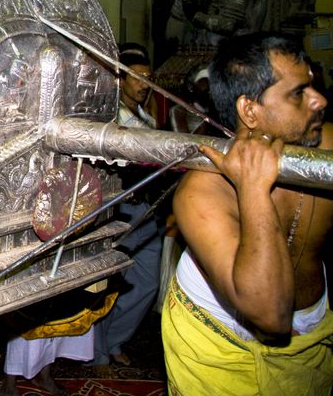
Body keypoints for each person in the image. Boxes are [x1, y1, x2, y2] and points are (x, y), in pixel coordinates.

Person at [162, 32, 333, 394]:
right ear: (250, 111)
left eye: (313, 87)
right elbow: (270, 315)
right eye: (298, 93)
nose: (319, 100)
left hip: (313, 329)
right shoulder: (202, 191)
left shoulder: (327, 143)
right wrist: (253, 189)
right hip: (218, 340)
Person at [90, 47, 163, 372]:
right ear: (119, 79)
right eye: (138, 77)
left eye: (149, 77)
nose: (145, 84)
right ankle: (100, 352)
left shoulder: (146, 115)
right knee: (109, 285)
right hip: (122, 212)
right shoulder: (111, 117)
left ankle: (114, 339)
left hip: (150, 211)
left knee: (146, 284)